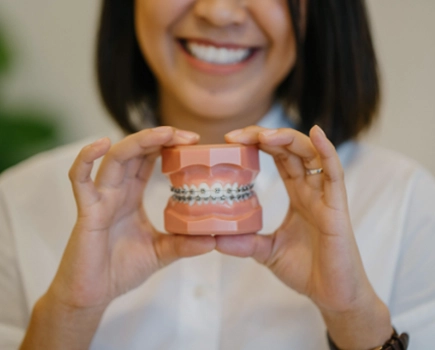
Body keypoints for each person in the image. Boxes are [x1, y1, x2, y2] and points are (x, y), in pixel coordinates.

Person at [0, 0, 434, 349]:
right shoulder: (16, 205)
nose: (218, 11)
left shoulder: (409, 203)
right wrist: (68, 317)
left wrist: (354, 318)